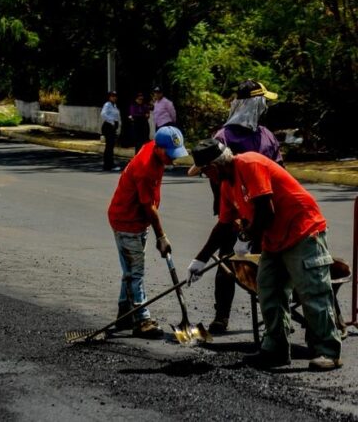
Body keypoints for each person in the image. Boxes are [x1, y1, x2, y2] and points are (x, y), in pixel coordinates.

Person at [186, 140, 342, 371]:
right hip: (275, 239)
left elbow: (266, 212)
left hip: (302, 231)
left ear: (214, 167)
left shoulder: (250, 164)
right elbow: (224, 225)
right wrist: (200, 259)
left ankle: (328, 351)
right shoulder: (228, 186)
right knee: (268, 290)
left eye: (205, 172)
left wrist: (244, 238)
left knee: (313, 292)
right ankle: (275, 349)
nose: (206, 177)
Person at [187, 79, 284, 333]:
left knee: (266, 266)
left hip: (265, 214)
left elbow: (279, 174)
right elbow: (219, 183)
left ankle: (274, 318)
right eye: (263, 102)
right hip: (234, 213)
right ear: (254, 104)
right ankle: (221, 316)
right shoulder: (224, 137)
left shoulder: (266, 135)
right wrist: (235, 221)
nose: (265, 107)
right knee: (227, 262)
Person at [107, 126, 189, 338]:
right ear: (158, 148)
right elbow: (148, 206)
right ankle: (142, 320)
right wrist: (161, 236)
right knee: (136, 272)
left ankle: (125, 314)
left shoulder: (153, 149)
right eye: (170, 154)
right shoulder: (145, 168)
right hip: (127, 221)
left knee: (130, 270)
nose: (173, 159)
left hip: (133, 218)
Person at [100, 91, 121, 171]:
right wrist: (112, 122)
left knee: (111, 146)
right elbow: (103, 114)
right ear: (109, 97)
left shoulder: (114, 105)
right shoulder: (107, 105)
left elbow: (116, 116)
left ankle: (109, 164)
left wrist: (116, 124)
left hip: (112, 127)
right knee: (109, 146)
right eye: (112, 96)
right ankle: (108, 165)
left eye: (115, 96)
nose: (114, 97)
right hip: (108, 126)